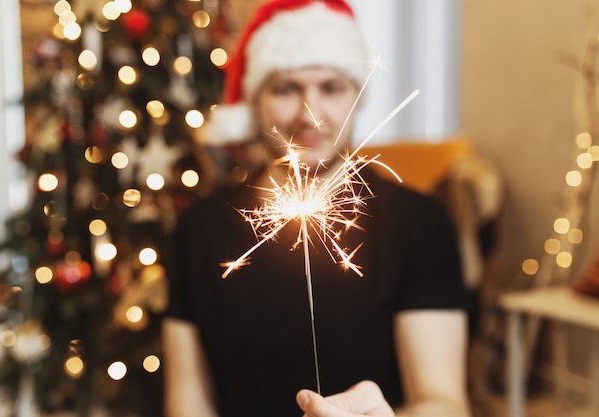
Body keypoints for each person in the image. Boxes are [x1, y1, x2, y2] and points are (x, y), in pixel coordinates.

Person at [161, 1, 472, 416]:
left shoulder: (419, 224)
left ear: (357, 99)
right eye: (287, 88)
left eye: (331, 87)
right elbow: (188, 406)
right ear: (254, 102)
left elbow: (446, 405)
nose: (311, 114)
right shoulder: (200, 231)